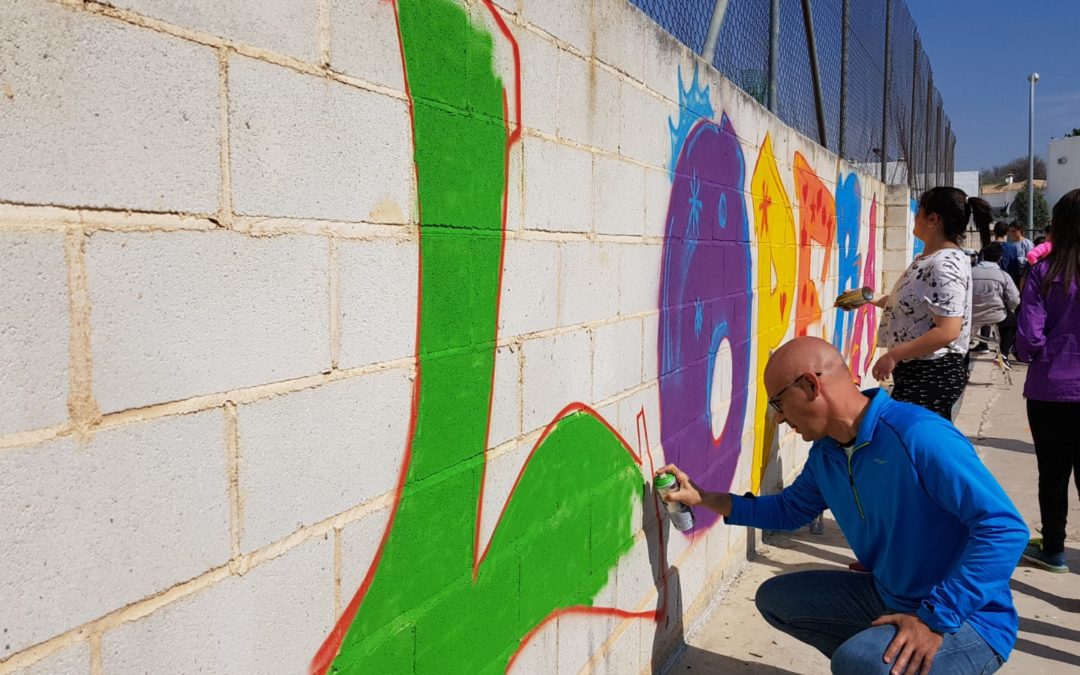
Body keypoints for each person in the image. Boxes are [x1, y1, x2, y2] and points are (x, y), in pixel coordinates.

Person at [657, 337, 1028, 674]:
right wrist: (704, 498)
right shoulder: (827, 453)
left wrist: (934, 619)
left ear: (810, 384)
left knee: (859, 663)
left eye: (778, 403)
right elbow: (789, 510)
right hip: (892, 596)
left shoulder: (919, 435)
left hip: (967, 620)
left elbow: (1005, 528)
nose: (779, 418)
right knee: (779, 600)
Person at [869, 186, 992, 420]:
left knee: (915, 448)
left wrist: (893, 356)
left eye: (918, 212)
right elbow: (916, 308)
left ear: (933, 219)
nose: (914, 218)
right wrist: (870, 299)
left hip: (931, 374)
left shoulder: (945, 265)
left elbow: (948, 330)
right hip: (919, 372)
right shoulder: (931, 260)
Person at [1015, 188, 1080, 574]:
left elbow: (1028, 338)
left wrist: (1037, 354)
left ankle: (1053, 548)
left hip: (1050, 390)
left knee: (1052, 473)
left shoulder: (1043, 272)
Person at [970, 242, 1020, 360]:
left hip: (971, 315)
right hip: (996, 315)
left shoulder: (969, 272)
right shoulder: (1003, 275)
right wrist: (1008, 307)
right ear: (1000, 258)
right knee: (1012, 322)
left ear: (982, 256)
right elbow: (1014, 300)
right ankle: (1003, 354)